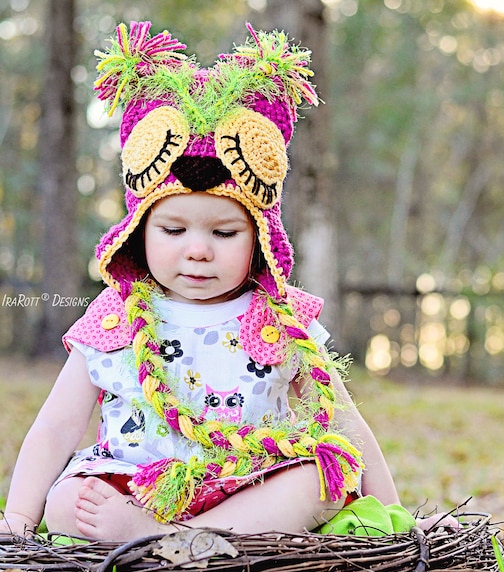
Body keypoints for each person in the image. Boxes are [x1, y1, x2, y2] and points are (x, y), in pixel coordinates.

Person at [0, 21, 457, 541]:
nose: (197, 249)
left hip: (247, 488)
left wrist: (394, 514)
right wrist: (17, 520)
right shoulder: (116, 315)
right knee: (67, 500)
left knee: (323, 477)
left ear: (259, 237)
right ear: (139, 233)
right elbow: (56, 426)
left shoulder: (279, 320)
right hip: (134, 485)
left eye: (224, 231)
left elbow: (345, 424)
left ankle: (192, 541)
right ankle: (148, 533)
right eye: (173, 229)